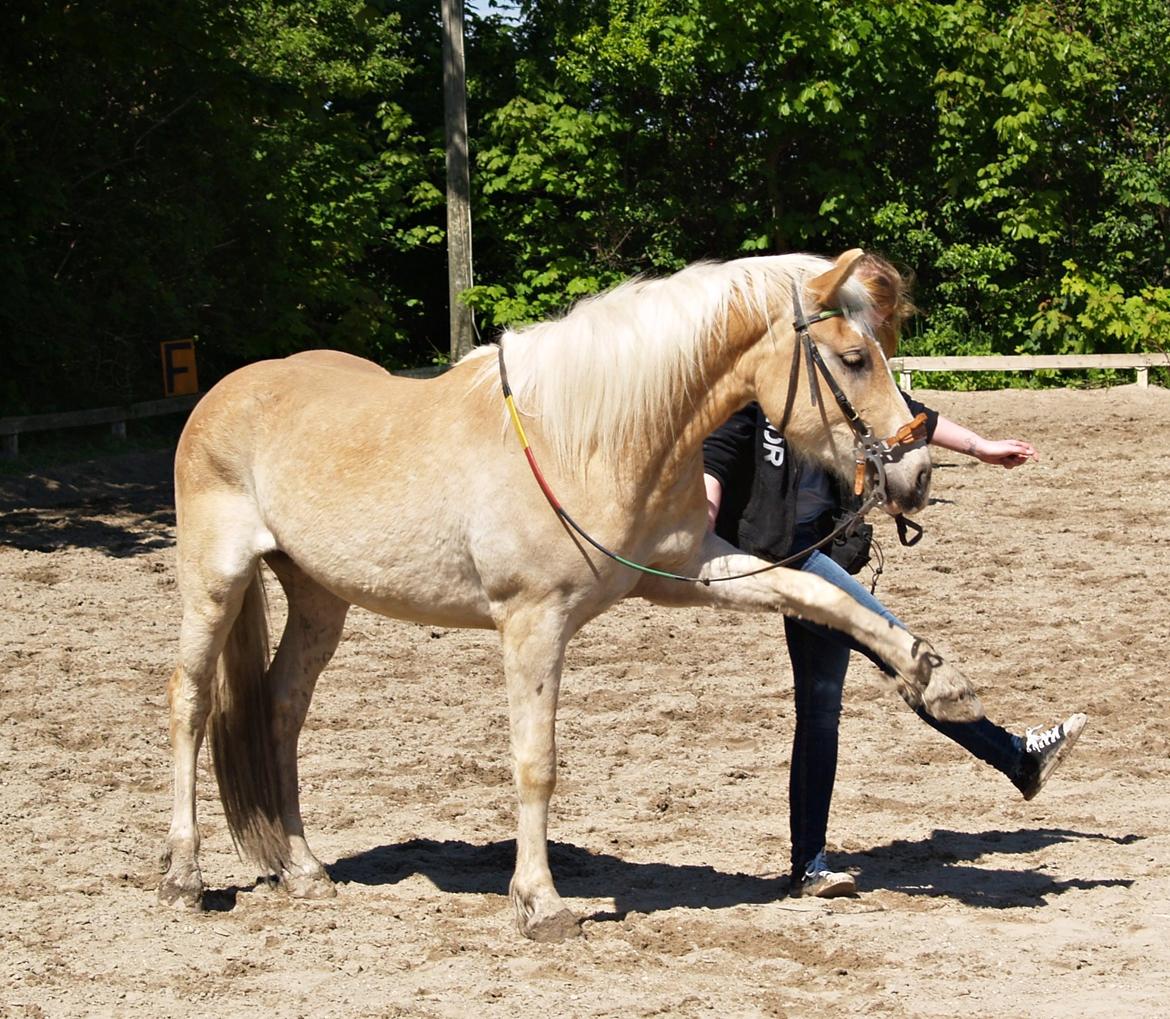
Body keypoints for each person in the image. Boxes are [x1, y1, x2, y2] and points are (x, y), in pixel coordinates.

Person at [702, 255, 1087, 899]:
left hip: (826, 547)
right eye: (868, 320)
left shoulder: (841, 377)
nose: (872, 334)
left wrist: (982, 447)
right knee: (904, 654)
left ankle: (809, 865)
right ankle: (1014, 756)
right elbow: (715, 456)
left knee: (820, 711)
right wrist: (702, 531)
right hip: (790, 559)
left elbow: (908, 414)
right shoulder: (765, 380)